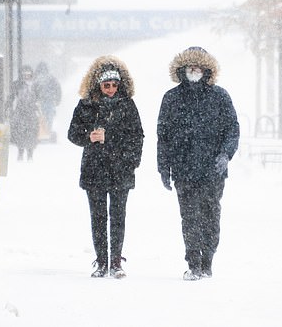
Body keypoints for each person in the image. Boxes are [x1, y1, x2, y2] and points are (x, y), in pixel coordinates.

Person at [156, 47, 240, 281]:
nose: (194, 71)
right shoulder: (171, 98)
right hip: (183, 170)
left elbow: (233, 129)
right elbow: (162, 135)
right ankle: (193, 263)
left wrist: (225, 154)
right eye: (190, 67)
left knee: (211, 216)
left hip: (213, 170)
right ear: (181, 70)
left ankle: (208, 261)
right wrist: (163, 167)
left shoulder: (220, 96)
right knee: (189, 218)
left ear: (207, 70)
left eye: (198, 67)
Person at [67, 56, 144, 279]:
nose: (110, 89)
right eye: (106, 85)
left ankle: (116, 261)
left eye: (114, 85)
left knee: (118, 216)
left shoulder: (128, 105)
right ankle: (101, 261)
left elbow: (137, 136)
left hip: (120, 169)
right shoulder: (86, 105)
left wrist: (130, 161)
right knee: (98, 216)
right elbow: (72, 133)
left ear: (120, 84)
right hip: (95, 169)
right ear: (98, 84)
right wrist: (88, 136)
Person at [6, 65, 40, 161]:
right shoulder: (17, 85)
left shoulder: (35, 85)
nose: (26, 76)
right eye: (24, 74)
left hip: (31, 112)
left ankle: (30, 153)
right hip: (21, 112)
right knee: (20, 132)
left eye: (28, 74)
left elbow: (39, 97)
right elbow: (11, 97)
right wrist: (8, 107)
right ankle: (20, 152)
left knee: (32, 132)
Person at [34, 62, 62, 142]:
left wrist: (34, 100)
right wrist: (57, 100)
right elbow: (58, 89)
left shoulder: (36, 79)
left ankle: (40, 133)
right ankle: (48, 132)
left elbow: (33, 91)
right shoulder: (52, 78)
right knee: (49, 118)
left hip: (40, 102)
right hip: (49, 102)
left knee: (39, 118)